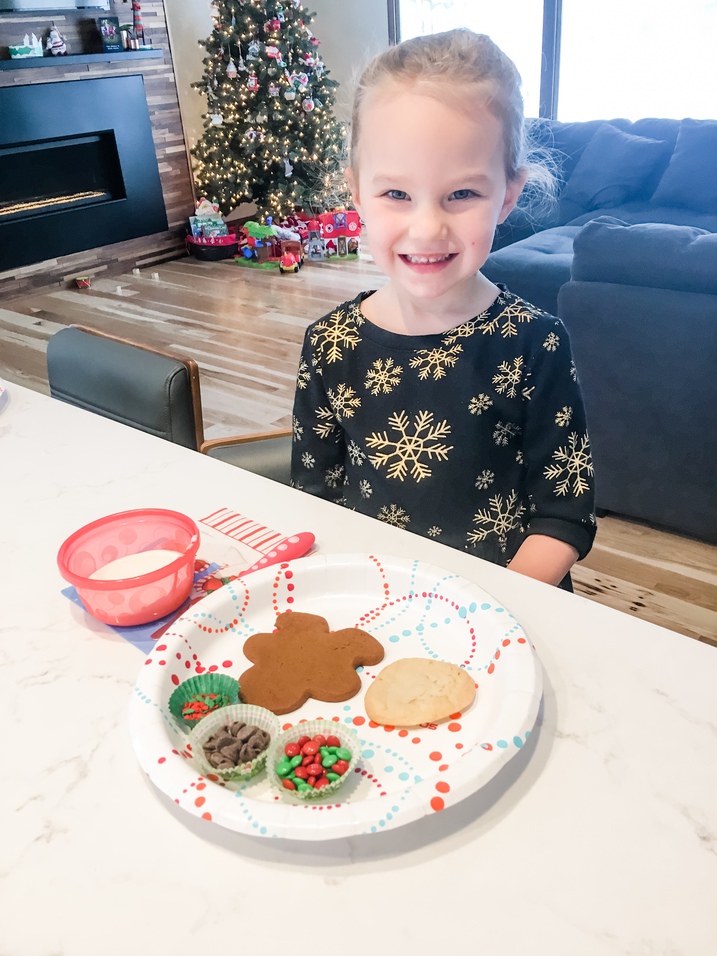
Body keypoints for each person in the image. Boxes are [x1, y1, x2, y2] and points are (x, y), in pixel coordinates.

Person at [290, 29, 596, 588]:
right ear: (356, 192)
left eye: (461, 194)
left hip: (510, 612)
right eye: (397, 194)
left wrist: (491, 606)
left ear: (507, 194)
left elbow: (564, 514)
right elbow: (317, 498)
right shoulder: (329, 344)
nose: (427, 228)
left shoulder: (537, 345)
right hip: (380, 604)